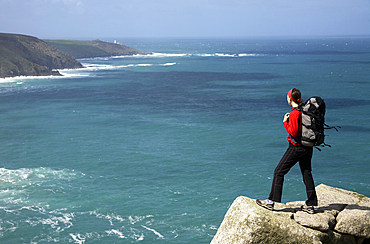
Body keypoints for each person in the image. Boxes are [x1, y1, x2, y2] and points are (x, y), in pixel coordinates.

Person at [256, 88, 318, 214]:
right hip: (308, 147)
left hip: (296, 148)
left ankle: (270, 202)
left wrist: (285, 122)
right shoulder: (304, 110)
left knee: (278, 172)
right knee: (307, 174)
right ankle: (311, 204)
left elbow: (293, 132)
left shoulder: (295, 113)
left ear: (290, 99)